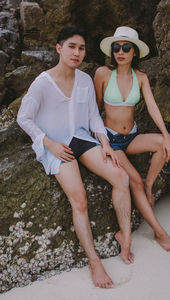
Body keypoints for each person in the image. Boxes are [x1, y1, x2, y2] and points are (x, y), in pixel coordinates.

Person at [17, 26, 134, 289]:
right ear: (59, 48)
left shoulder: (84, 80)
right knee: (79, 200)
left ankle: (125, 236)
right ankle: (94, 261)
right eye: (71, 46)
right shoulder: (42, 83)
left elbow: (93, 115)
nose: (77, 52)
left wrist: (105, 143)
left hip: (82, 138)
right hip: (56, 143)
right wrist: (48, 143)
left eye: (81, 48)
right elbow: (23, 117)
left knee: (121, 176)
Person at [94, 26, 170, 252]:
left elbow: (152, 107)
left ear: (135, 52)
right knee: (133, 180)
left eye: (126, 47)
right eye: (116, 47)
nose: (120, 52)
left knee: (163, 145)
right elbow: (94, 111)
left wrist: (165, 135)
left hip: (132, 136)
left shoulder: (141, 77)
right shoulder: (103, 73)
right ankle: (160, 233)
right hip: (112, 141)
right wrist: (101, 142)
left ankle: (149, 184)